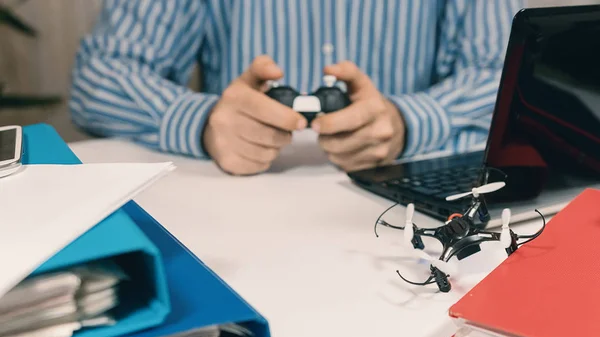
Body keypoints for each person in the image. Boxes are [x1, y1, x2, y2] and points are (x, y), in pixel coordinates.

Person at [69, 0, 523, 175]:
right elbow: (100, 76)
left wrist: (407, 121)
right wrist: (203, 122)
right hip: (236, 208)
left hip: (400, 201)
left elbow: (510, 77)